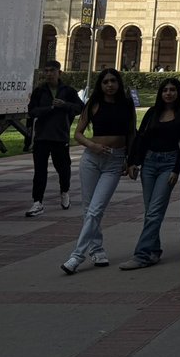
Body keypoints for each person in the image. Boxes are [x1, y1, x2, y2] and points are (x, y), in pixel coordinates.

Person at [61, 68, 136, 274]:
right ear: (100, 85)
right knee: (89, 209)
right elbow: (77, 134)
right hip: (92, 160)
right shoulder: (93, 104)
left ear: (119, 83)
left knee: (96, 209)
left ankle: (76, 256)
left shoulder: (127, 104)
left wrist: (130, 160)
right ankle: (97, 249)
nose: (110, 85)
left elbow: (131, 133)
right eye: (105, 82)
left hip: (114, 161)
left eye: (113, 81)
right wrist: (91, 145)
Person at [120, 77, 180, 270]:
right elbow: (141, 138)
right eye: (165, 90)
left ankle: (141, 255)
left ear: (178, 93)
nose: (169, 93)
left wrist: (176, 170)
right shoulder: (152, 112)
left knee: (154, 211)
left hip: (169, 164)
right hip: (149, 164)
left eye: (173, 90)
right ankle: (154, 251)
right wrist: (134, 162)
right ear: (161, 93)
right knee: (151, 211)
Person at [25, 60, 83, 217]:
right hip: (41, 137)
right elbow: (32, 111)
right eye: (46, 71)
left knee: (63, 168)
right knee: (40, 171)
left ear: (59, 72)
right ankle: (37, 202)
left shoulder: (68, 91)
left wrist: (64, 105)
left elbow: (80, 108)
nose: (48, 74)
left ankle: (65, 191)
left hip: (60, 136)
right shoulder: (39, 91)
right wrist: (49, 108)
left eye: (52, 70)